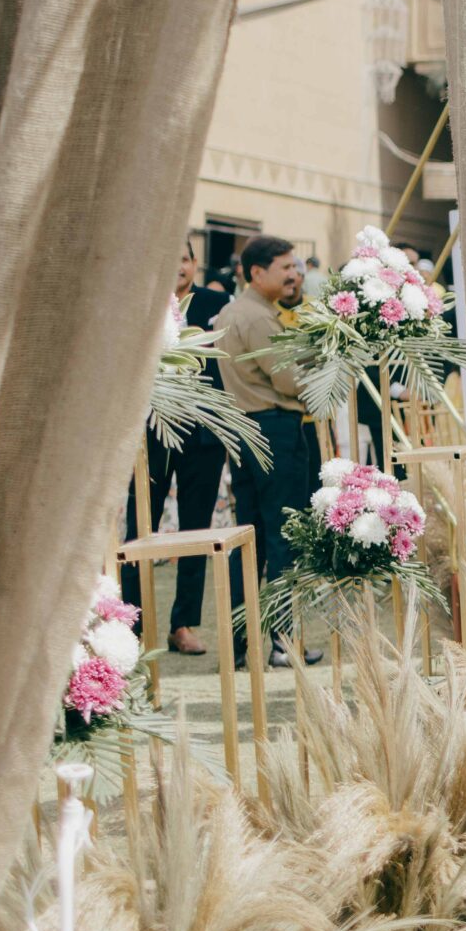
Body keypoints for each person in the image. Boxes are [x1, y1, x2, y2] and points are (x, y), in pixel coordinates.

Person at [214, 234, 323, 666]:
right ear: (257, 273)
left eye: (295, 266)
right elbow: (289, 381)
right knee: (283, 536)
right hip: (274, 428)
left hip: (245, 428)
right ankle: (283, 641)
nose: (294, 274)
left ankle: (242, 644)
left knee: (250, 536)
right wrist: (324, 367)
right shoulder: (258, 317)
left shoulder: (232, 312)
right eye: (286, 267)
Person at [122, 249, 235, 654]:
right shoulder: (142, 303)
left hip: (204, 434)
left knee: (196, 530)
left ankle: (182, 624)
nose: (179, 266)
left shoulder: (217, 304)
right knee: (140, 527)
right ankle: (130, 623)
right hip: (152, 432)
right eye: (171, 257)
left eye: (185, 258)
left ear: (195, 263)